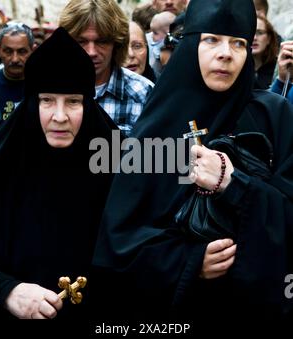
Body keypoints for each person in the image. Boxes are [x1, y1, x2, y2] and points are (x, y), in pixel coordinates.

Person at [93, 0, 293, 332]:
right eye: (212, 39)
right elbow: (117, 243)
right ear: (190, 46)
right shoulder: (157, 126)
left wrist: (234, 183)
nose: (226, 53)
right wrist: (188, 260)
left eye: (238, 42)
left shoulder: (275, 117)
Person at [0, 26, 119, 329]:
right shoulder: (0, 163)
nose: (59, 116)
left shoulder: (120, 163)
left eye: (73, 101)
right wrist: (6, 290)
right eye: (47, 100)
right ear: (31, 103)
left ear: (88, 104)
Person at [59, 0, 153, 136]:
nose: (91, 52)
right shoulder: (47, 92)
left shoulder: (142, 93)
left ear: (117, 43)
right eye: (81, 41)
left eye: (101, 42)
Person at [0, 21, 35, 121]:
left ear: (32, 50)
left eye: (22, 51)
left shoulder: (44, 82)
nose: (15, 59)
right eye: (8, 51)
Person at [252, 15, 278, 89]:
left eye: (259, 33)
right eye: (251, 32)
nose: (254, 38)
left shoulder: (278, 67)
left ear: (269, 39)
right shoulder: (237, 66)